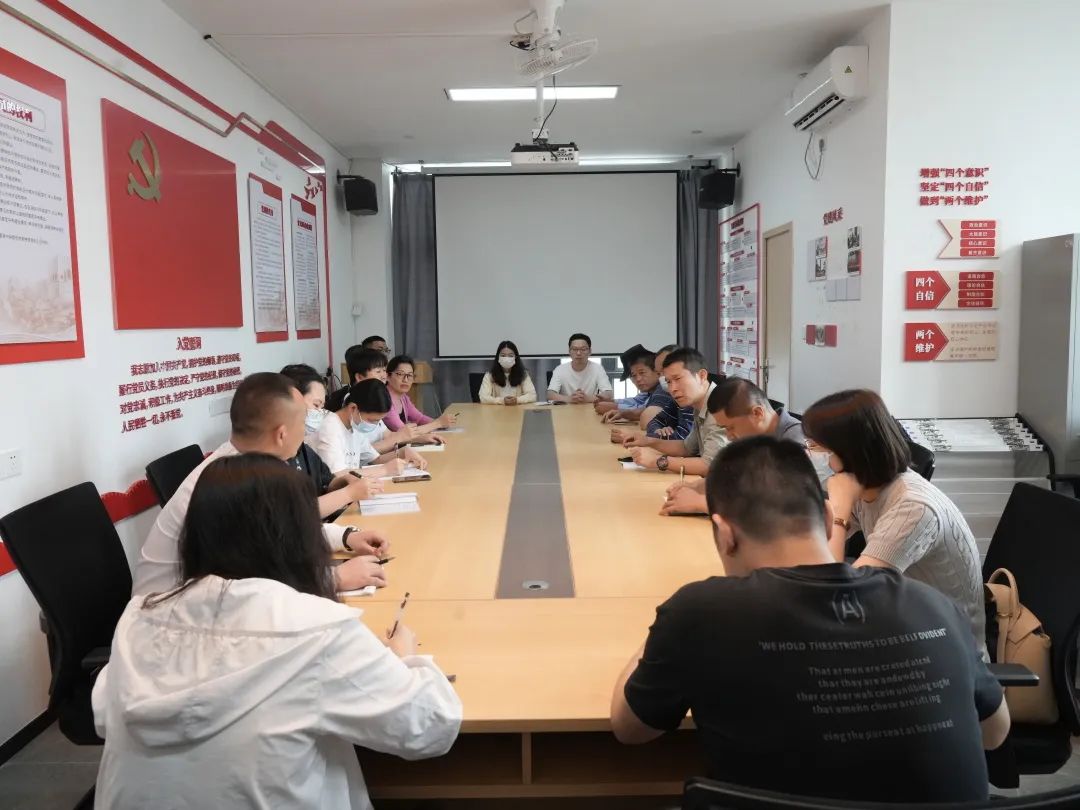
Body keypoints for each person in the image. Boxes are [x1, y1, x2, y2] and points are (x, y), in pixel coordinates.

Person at [610, 436, 1009, 804]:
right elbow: (993, 733)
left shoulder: (700, 612)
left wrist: (667, 626)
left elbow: (631, 729)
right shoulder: (935, 605)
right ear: (829, 514)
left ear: (725, 533)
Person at [95, 454, 462, 810]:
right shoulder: (317, 629)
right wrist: (405, 658)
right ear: (299, 536)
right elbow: (429, 727)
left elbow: (101, 713)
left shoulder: (139, 617)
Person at [132, 373, 390, 598]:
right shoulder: (232, 483)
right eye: (304, 423)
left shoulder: (248, 464)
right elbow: (257, 577)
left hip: (209, 601)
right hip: (175, 612)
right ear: (282, 434)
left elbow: (284, 529)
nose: (307, 432)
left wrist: (346, 537)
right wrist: (334, 578)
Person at [802, 389, 987, 653]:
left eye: (816, 447)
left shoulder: (913, 507)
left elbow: (840, 599)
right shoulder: (868, 486)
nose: (811, 454)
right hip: (904, 622)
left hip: (945, 650)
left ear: (849, 452)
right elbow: (816, 550)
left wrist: (840, 513)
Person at [661, 377, 824, 516]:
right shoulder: (758, 439)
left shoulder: (796, 441)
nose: (729, 436)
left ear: (757, 413)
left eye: (731, 427)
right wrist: (698, 486)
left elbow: (783, 508)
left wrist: (704, 504)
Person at [279, 365, 384, 518]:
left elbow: (327, 482)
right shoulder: (269, 462)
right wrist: (348, 493)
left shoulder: (304, 449)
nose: (320, 413)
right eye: (316, 405)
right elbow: (296, 514)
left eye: (322, 406)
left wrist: (344, 481)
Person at [623, 348, 725, 476]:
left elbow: (710, 465)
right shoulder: (700, 404)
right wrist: (648, 441)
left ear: (702, 376)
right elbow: (687, 448)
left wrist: (657, 461)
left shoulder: (720, 407)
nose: (673, 388)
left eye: (678, 379)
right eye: (669, 382)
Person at [313, 379, 429, 477]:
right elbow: (337, 476)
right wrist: (384, 470)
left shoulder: (354, 426)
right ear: (353, 408)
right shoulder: (329, 427)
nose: (374, 425)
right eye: (372, 420)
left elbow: (374, 459)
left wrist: (403, 452)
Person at [609, 344, 693, 445]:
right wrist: (659, 432)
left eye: (642, 372)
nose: (663, 377)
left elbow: (685, 444)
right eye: (660, 373)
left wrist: (641, 438)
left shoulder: (691, 399)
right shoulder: (675, 396)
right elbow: (654, 422)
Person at [383, 355, 457, 433]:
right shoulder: (383, 399)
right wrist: (438, 423)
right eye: (400, 374)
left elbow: (419, 418)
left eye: (409, 375)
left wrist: (442, 423)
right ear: (388, 376)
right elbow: (403, 431)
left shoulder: (403, 397)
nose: (405, 380)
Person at [546, 333, 614, 404]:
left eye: (583, 349)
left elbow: (609, 394)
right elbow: (550, 394)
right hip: (567, 408)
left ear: (590, 351)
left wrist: (587, 398)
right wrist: (570, 399)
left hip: (589, 408)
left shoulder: (598, 369)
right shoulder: (560, 369)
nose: (578, 353)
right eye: (574, 349)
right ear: (569, 351)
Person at [326, 346, 390, 412]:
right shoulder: (350, 401)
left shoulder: (378, 394)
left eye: (384, 370)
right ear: (359, 377)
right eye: (378, 371)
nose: (384, 376)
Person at [479, 340, 537, 405]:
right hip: (497, 410)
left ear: (515, 358)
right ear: (498, 358)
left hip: (517, 409)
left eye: (510, 355)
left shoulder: (523, 374)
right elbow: (483, 397)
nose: (506, 359)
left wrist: (517, 400)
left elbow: (532, 395)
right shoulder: (489, 375)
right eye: (503, 355)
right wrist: (502, 400)